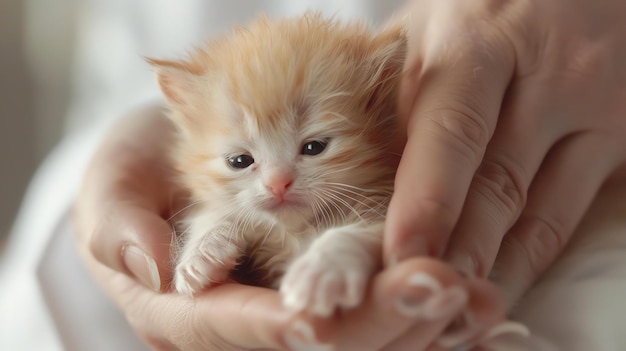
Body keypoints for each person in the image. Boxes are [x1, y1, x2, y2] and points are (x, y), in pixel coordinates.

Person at [4, 0, 626, 350]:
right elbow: (124, 104)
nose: (275, 183)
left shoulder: (385, 148)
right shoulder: (224, 164)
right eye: (242, 162)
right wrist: (130, 191)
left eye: (316, 146)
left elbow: (379, 224)